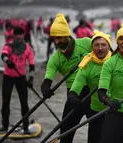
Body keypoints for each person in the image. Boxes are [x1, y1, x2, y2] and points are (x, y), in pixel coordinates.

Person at [40, 13, 92, 143]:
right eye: (54, 39)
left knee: (96, 134)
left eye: (60, 38)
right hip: (73, 96)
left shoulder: (86, 43)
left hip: (93, 93)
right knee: (65, 135)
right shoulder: (55, 58)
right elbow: (47, 79)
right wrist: (45, 88)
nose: (57, 42)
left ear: (67, 35)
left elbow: (107, 52)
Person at [69, 30, 112, 143]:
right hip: (96, 111)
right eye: (96, 45)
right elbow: (76, 85)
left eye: (103, 45)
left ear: (109, 46)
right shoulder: (86, 64)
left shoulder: (116, 61)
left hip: (115, 110)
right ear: (92, 47)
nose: (100, 48)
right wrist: (73, 96)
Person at [0, 26, 35, 133]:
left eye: (20, 34)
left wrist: (31, 79)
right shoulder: (8, 45)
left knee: (24, 103)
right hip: (8, 78)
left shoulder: (28, 48)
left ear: (23, 35)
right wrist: (7, 61)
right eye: (16, 34)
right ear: (14, 35)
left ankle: (26, 127)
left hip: (21, 79)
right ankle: (4, 126)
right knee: (5, 102)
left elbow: (32, 66)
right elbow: (3, 55)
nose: (18, 36)